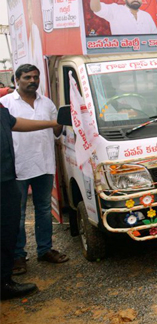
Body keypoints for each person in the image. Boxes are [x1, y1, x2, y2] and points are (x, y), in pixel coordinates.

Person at [0, 64, 66, 277]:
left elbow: (57, 130)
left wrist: (62, 122)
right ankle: (18, 256)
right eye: (27, 77)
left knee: (44, 210)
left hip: (44, 165)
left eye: (36, 77)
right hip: (17, 168)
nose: (32, 81)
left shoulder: (46, 103)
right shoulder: (5, 103)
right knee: (17, 215)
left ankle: (44, 250)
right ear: (16, 80)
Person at [1, 103, 62, 300]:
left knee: (8, 227)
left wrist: (53, 122)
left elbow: (17, 123)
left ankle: (4, 280)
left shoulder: (2, 109)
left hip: (7, 178)